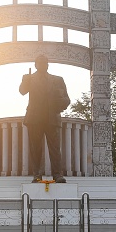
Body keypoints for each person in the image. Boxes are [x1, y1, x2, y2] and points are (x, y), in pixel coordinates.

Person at [19, 55, 70, 183]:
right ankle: (37, 174)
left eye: (45, 62)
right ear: (35, 65)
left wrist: (61, 104)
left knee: (55, 149)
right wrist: (25, 81)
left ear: (48, 65)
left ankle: (57, 174)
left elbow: (67, 99)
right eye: (39, 63)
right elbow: (22, 91)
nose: (42, 65)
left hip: (52, 117)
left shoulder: (58, 80)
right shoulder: (29, 78)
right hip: (34, 118)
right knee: (35, 148)